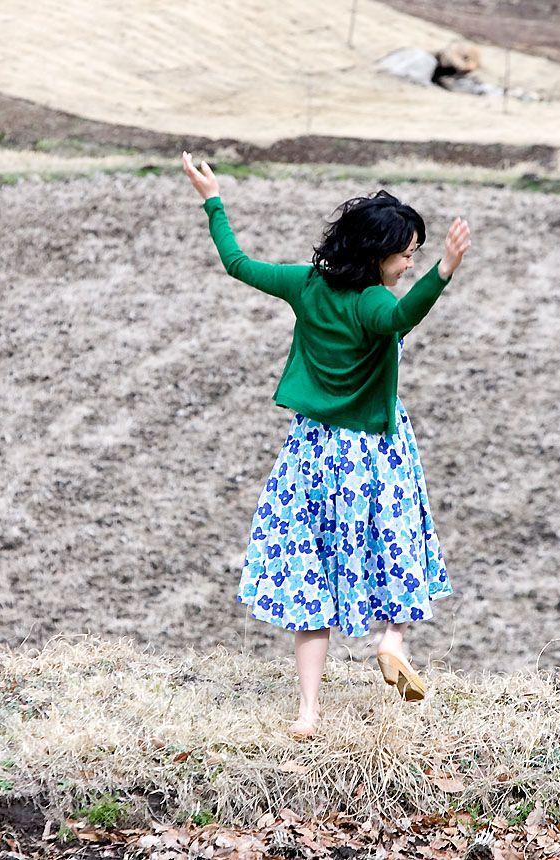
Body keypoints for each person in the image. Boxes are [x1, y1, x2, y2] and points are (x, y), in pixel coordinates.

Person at [181, 151, 472, 740]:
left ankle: (308, 714)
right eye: (405, 255)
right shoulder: (376, 304)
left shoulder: (304, 284)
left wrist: (213, 200)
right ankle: (392, 641)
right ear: (377, 255)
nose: (408, 263)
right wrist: (444, 273)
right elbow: (401, 321)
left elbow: (236, 263)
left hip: (312, 453)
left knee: (310, 574)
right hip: (376, 451)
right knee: (396, 548)